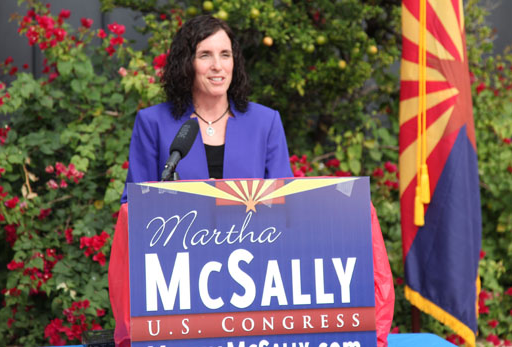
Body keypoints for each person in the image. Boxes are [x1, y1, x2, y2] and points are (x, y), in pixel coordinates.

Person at [108, 15, 394, 347]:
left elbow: (287, 207)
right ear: (187, 63)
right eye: (205, 55)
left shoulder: (265, 122)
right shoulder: (153, 123)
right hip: (180, 291)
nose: (217, 66)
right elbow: (132, 209)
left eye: (225, 55)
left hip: (255, 286)